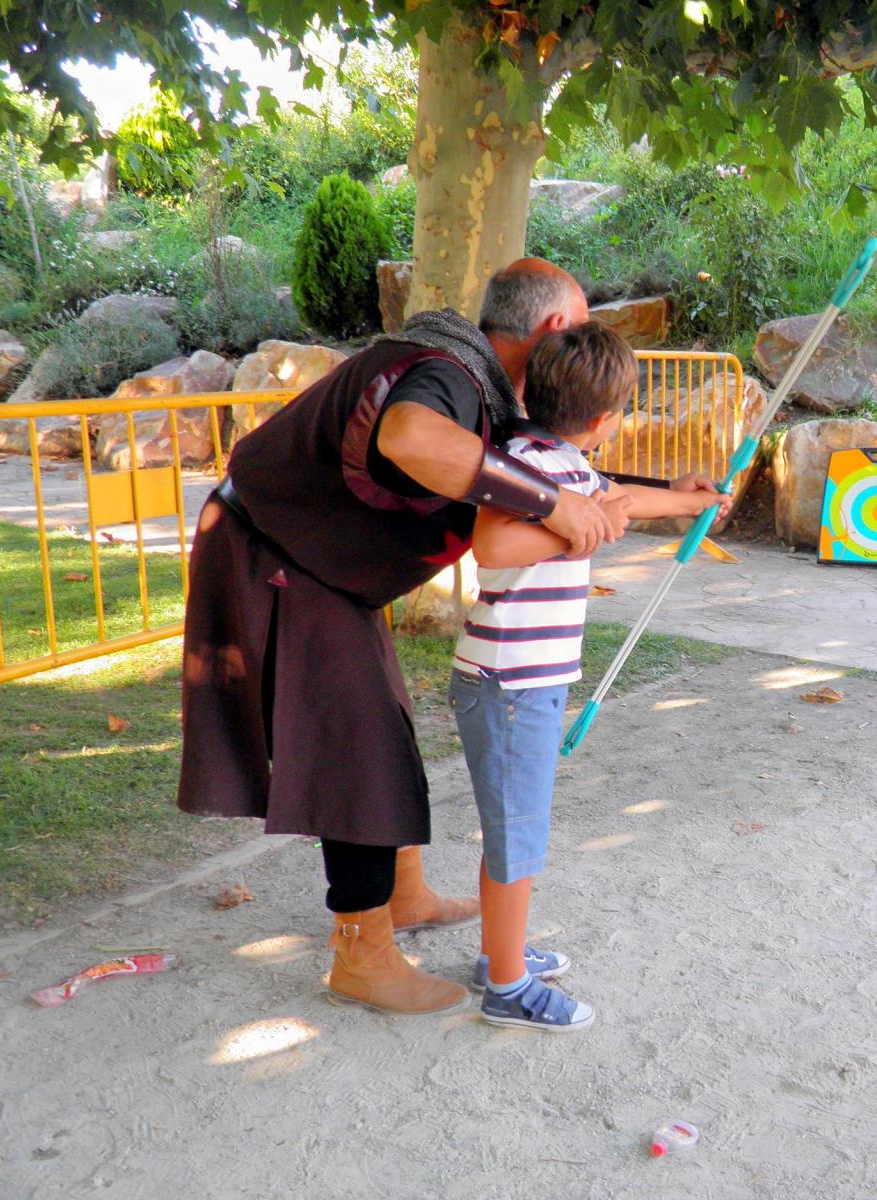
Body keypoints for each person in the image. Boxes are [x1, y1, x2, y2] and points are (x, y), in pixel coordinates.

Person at [177, 260, 717, 1016]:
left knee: (385, 729)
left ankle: (403, 896)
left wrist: (674, 497)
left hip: (315, 565)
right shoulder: (445, 371)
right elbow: (411, 438)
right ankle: (362, 954)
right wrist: (552, 509)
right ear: (553, 328)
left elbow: (575, 485)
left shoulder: (477, 386)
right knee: (358, 750)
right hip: (274, 555)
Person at [449, 321, 728, 1031]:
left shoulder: (558, 460)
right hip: (510, 685)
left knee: (511, 829)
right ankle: (507, 988)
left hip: (517, 681)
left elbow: (621, 500)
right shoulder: (531, 466)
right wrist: (578, 527)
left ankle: (499, 954)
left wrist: (690, 500)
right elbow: (493, 545)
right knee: (518, 836)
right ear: (606, 419)